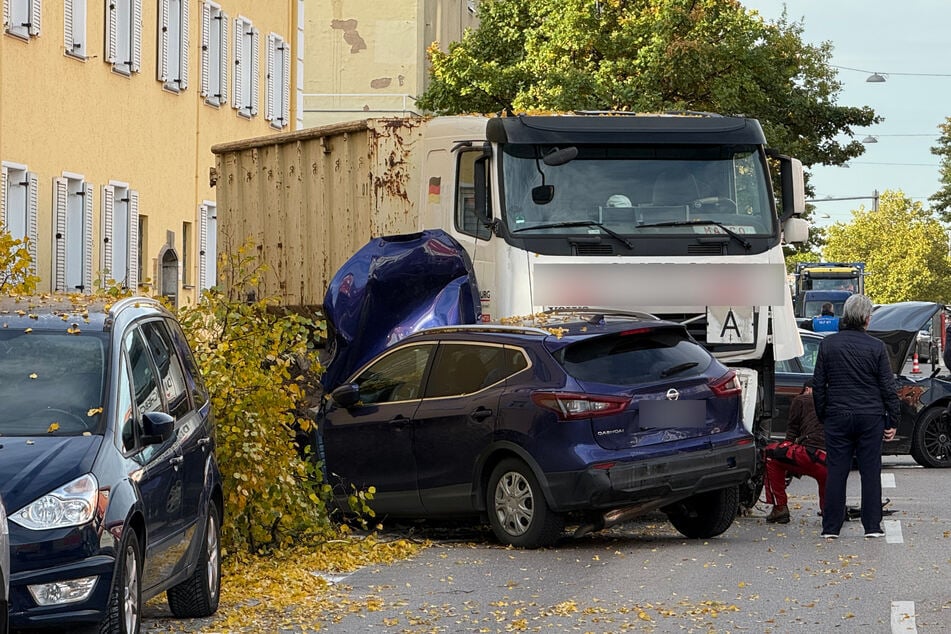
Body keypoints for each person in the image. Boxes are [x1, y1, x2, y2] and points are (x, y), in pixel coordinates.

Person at [813, 294, 900, 539]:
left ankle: (831, 527)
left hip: (837, 415)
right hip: (870, 417)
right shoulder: (876, 347)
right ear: (865, 318)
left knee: (837, 470)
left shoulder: (828, 345)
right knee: (870, 471)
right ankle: (872, 526)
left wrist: (823, 415)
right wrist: (892, 420)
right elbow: (887, 387)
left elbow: (819, 385)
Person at [764, 378, 826, 524]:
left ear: (808, 389)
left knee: (771, 454)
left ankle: (779, 508)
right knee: (828, 485)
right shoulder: (837, 400)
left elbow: (792, 431)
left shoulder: (802, 399)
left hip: (812, 457)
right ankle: (829, 510)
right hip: (834, 462)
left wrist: (785, 451)